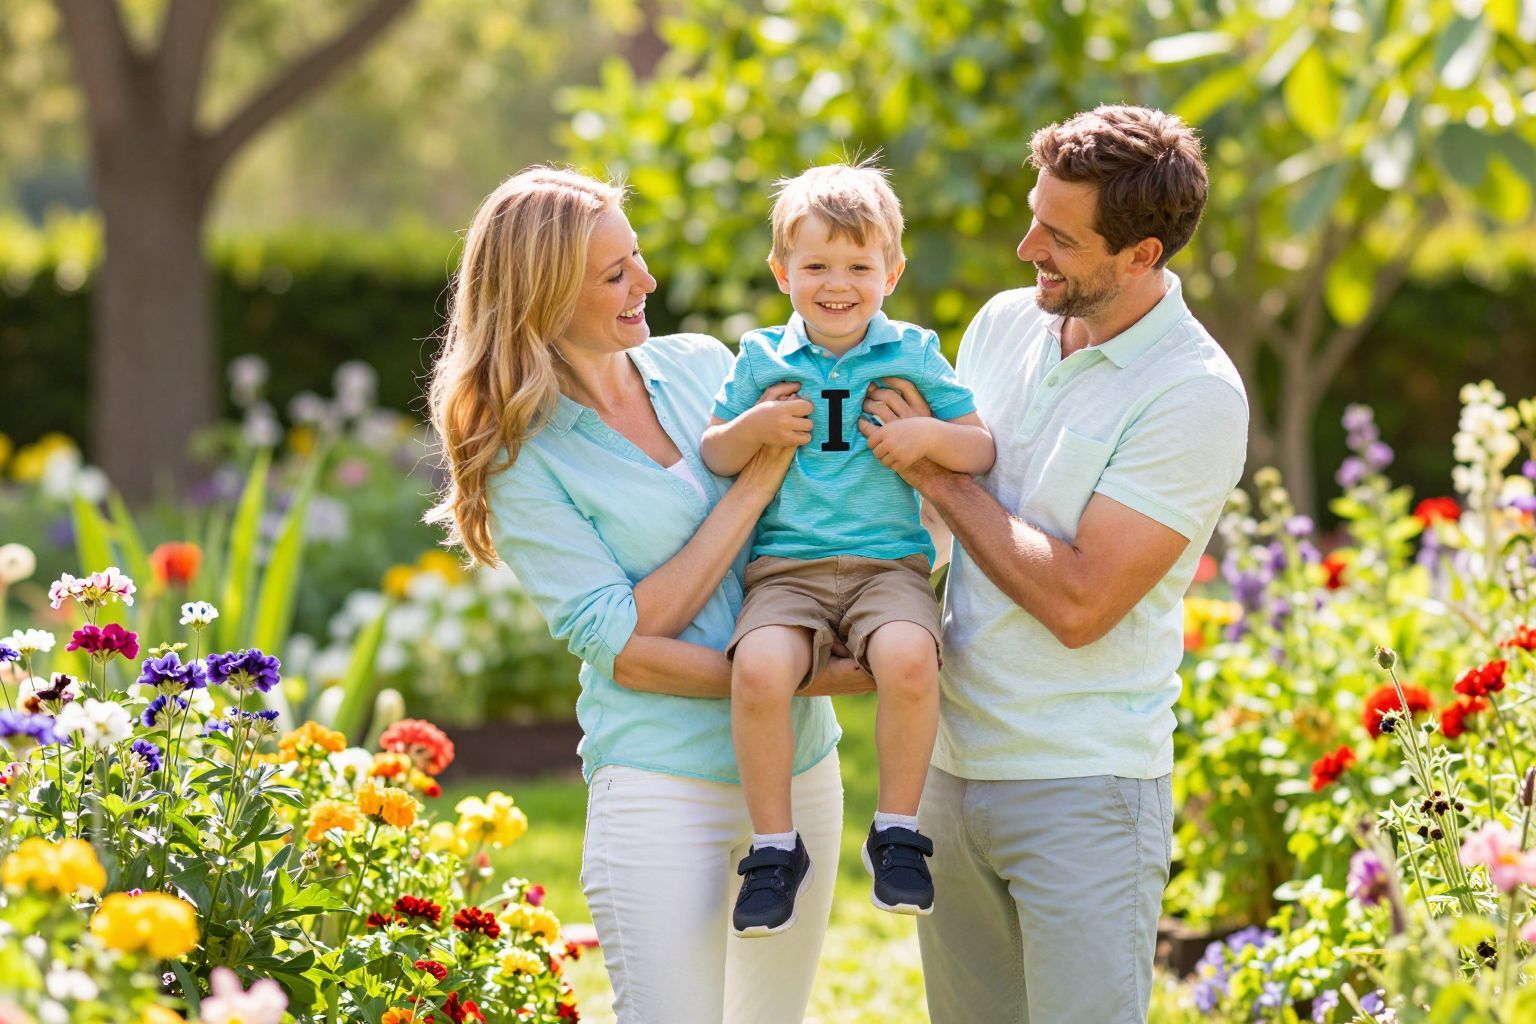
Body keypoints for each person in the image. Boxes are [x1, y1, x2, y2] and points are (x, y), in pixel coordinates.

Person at [424, 167, 873, 1024]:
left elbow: (819, 521)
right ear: (545, 299)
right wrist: (749, 495)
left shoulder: (706, 367)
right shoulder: (524, 457)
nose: (648, 282)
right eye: (615, 273)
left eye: (637, 256)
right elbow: (627, 647)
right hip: (662, 788)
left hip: (801, 768)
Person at [860, 105, 1249, 1023]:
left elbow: (1080, 602)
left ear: (1142, 255)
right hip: (950, 768)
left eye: (1060, 237)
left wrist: (938, 473)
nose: (1027, 246)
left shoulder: (1191, 394)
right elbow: (933, 530)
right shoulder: (1004, 324)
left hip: (1084, 789)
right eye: (1035, 215)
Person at [700, 163, 994, 937]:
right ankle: (774, 846)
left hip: (885, 565)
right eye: (817, 266)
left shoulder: (914, 352)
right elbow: (715, 452)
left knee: (910, 659)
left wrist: (925, 436)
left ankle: (896, 831)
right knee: (758, 670)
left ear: (891, 272)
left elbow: (979, 447)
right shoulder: (761, 356)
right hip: (785, 571)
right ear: (782, 272)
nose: (838, 284)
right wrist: (751, 430)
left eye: (859, 267)